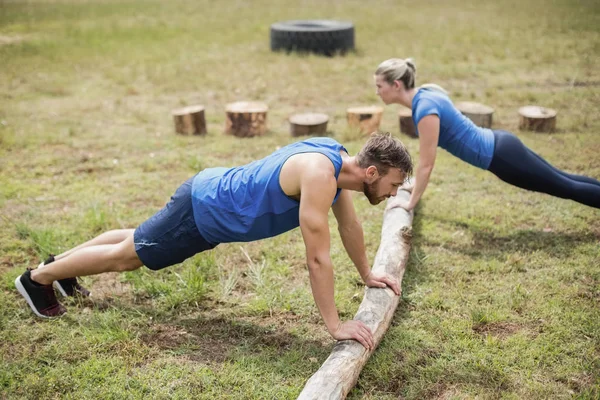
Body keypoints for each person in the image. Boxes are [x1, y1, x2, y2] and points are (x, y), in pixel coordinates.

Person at [15, 133, 413, 350]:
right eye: (394, 186)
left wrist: (367, 273)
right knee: (129, 257)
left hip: (208, 192)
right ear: (373, 172)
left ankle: (60, 268)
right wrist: (334, 325)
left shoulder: (334, 156)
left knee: (135, 238)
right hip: (206, 212)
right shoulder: (318, 176)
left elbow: (349, 227)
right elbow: (317, 260)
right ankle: (39, 278)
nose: (394, 194)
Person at [374, 58, 600, 210]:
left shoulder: (424, 110)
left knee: (564, 186)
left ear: (395, 85)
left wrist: (410, 203)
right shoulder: (426, 93)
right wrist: (413, 187)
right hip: (502, 145)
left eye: (379, 86)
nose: (377, 92)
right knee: (564, 180)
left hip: (501, 157)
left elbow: (426, 164)